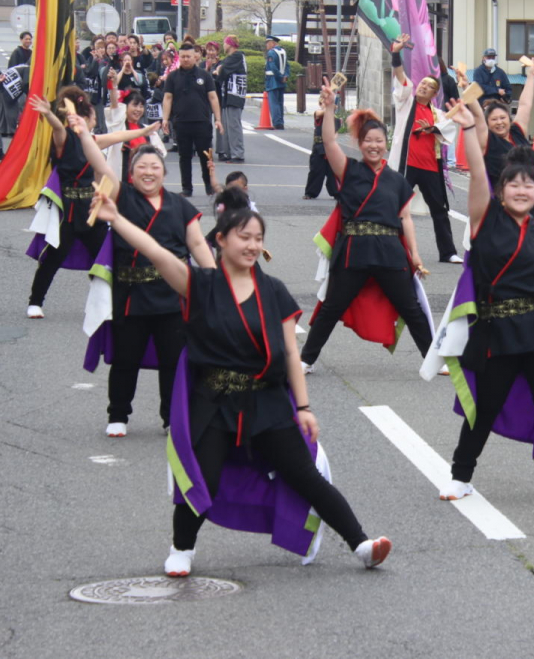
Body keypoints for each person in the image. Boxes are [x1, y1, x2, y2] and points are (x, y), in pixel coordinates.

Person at [90, 185, 392, 576]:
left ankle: (362, 545)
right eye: (244, 237)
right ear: (221, 240)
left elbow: (290, 355)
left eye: (258, 239)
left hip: (266, 403)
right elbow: (156, 251)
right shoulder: (201, 286)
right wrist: (116, 219)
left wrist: (303, 407)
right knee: (203, 478)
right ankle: (182, 547)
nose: (252, 245)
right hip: (214, 403)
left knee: (305, 476)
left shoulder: (275, 291)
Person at [431, 102, 534, 503]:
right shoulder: (485, 220)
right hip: (495, 334)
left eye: (528, 185)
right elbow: (479, 175)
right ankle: (460, 476)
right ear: (502, 191)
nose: (521, 190)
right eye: (513, 184)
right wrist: (469, 131)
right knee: (482, 409)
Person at [73, 121, 210, 437]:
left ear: (164, 173)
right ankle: (118, 415)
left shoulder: (181, 206)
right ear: (131, 174)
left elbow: (198, 244)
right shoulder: (122, 197)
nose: (149, 172)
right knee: (125, 359)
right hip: (131, 295)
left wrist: (214, 281)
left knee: (173, 363)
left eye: (155, 167)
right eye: (142, 167)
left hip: (172, 295)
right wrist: (83, 133)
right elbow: (97, 162)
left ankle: (171, 417)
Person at [298, 100, 436, 373]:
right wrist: (328, 109)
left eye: (379, 141)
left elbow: (405, 218)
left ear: (386, 143)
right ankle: (306, 359)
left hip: (390, 252)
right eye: (368, 141)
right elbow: (328, 142)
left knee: (411, 308)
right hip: (353, 252)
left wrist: (415, 254)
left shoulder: (397, 180)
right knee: (331, 308)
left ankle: (432, 359)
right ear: (360, 143)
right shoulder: (349, 170)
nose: (374, 145)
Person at [25, 88, 157, 318]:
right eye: (94, 117)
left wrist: (145, 130)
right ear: (84, 118)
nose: (96, 121)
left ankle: (115, 303)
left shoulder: (92, 141)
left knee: (106, 257)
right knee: (53, 258)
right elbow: (57, 127)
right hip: (66, 210)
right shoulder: (64, 138)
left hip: (90, 209)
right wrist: (48, 114)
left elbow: (118, 136)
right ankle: (35, 302)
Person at [390, 34, 462, 264]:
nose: (423, 87)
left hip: (430, 167)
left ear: (434, 94)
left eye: (429, 87)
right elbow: (400, 77)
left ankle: (448, 252)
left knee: (439, 210)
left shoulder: (437, 114)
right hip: (407, 165)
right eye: (422, 83)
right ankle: (389, 247)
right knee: (394, 206)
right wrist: (395, 53)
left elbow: (451, 124)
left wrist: (432, 129)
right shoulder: (405, 103)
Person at [162, 42, 224, 197]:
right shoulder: (172, 77)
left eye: (188, 56)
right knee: (184, 157)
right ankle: (187, 188)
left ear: (195, 57)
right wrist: (164, 119)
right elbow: (168, 98)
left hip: (202, 122)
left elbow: (213, 97)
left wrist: (218, 118)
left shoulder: (204, 75)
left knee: (206, 156)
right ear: (179, 57)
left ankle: (209, 186)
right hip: (181, 122)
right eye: (182, 57)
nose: (186, 59)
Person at [477, 59, 534, 190]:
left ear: (509, 119)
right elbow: (477, 116)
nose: (499, 122)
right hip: (499, 199)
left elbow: (525, 105)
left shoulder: (517, 131)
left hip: (527, 195)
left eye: (502, 118)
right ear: (487, 123)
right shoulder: (487, 140)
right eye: (494, 119)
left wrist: (531, 76)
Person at [106, 90, 157, 182]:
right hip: (122, 181)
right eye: (135, 105)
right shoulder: (118, 128)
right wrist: (113, 86)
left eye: (141, 106)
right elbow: (114, 108)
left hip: (142, 181)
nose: (138, 109)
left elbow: (158, 155)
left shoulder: (147, 130)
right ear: (124, 107)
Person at [213, 36, 247, 164]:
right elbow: (220, 69)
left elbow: (223, 69)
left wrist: (219, 69)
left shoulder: (237, 56)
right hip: (228, 94)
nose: (223, 45)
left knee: (234, 125)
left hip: (235, 94)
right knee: (227, 125)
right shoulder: (232, 58)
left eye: (225, 43)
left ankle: (237, 154)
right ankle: (229, 152)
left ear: (230, 44)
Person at [303, 88, 335, 200]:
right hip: (318, 146)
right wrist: (328, 105)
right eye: (322, 102)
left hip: (330, 147)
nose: (324, 104)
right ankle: (310, 192)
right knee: (316, 170)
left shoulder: (333, 117)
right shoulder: (318, 113)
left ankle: (337, 192)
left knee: (333, 171)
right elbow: (322, 112)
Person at [263, 35, 288, 130]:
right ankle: (281, 121)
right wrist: (285, 76)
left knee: (273, 102)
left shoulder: (271, 53)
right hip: (282, 81)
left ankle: (277, 122)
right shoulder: (283, 51)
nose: (267, 45)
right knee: (280, 102)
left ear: (273, 43)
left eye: (268, 43)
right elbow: (287, 66)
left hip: (273, 80)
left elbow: (272, 67)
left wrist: (279, 77)